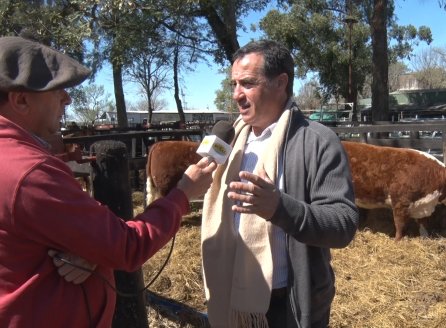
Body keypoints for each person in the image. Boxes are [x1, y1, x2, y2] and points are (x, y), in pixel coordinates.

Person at [0, 36, 216, 327]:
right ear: (21, 99)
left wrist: (91, 249)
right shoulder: (30, 173)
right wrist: (184, 193)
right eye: (56, 90)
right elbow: (127, 247)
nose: (68, 98)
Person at [201, 40, 359, 328]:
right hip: (228, 293)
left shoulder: (318, 141)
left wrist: (279, 207)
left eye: (247, 83)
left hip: (288, 303)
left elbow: (343, 223)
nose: (237, 94)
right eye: (234, 84)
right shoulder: (229, 138)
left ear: (280, 83)